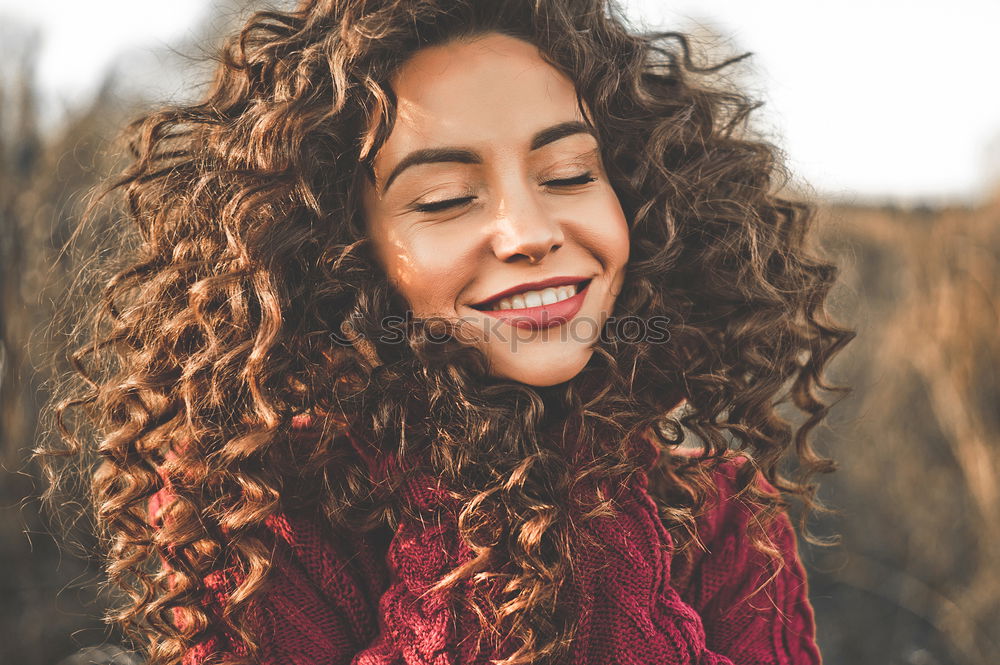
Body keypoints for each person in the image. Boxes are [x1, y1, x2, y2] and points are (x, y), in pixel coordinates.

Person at [42, 1, 855, 664]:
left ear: (638, 197)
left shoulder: (726, 512)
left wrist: (594, 476)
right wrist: (469, 497)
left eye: (570, 174)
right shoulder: (257, 514)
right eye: (442, 198)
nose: (527, 231)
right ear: (339, 251)